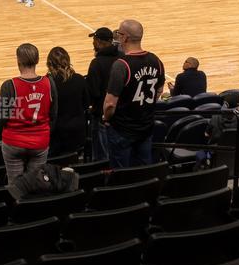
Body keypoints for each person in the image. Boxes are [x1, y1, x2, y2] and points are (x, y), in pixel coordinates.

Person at [101, 19, 164, 168]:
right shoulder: (156, 60)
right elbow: (159, 90)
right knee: (143, 171)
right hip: (146, 127)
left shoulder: (121, 65)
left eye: (118, 33)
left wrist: (106, 118)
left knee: (121, 174)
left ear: (125, 37)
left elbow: (110, 104)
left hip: (122, 130)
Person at [0, 43, 57, 184]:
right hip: (40, 142)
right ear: (37, 60)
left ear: (18, 61)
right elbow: (53, 115)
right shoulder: (49, 83)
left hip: (14, 142)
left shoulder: (9, 85)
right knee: (36, 184)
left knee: (16, 186)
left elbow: (1, 119)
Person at [46, 46, 88, 157]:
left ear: (49, 64)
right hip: (78, 133)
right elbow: (86, 104)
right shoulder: (79, 79)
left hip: (56, 135)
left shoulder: (46, 83)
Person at [86, 27, 120, 161]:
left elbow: (93, 92)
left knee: (101, 157)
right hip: (119, 114)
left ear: (99, 42)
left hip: (101, 115)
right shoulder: (122, 58)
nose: (93, 43)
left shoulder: (96, 63)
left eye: (94, 40)